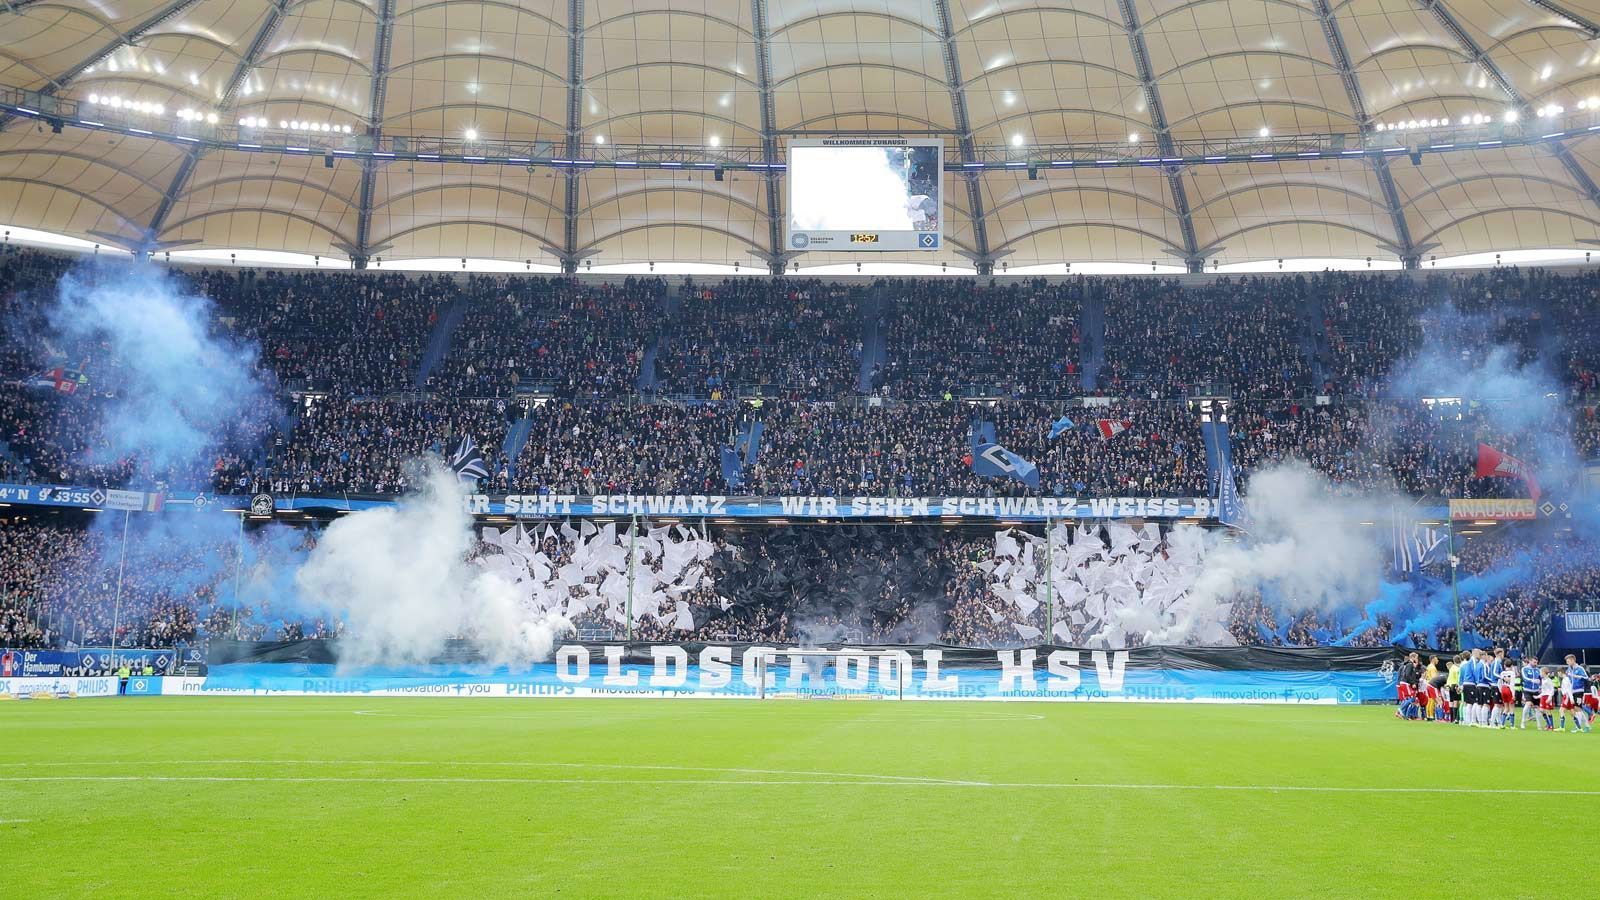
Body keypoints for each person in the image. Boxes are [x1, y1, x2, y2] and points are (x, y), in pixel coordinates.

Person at [1519, 657, 1543, 730]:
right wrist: (1532, 680)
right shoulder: (1524, 669)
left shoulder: (1538, 670)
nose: (1536, 664)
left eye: (1536, 662)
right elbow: (1524, 678)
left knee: (1537, 708)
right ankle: (1523, 722)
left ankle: (1539, 725)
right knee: (1528, 704)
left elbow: (1541, 679)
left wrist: (1541, 687)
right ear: (1530, 661)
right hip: (1527, 690)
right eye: (1534, 662)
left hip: (1536, 691)